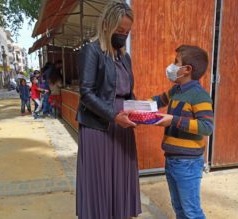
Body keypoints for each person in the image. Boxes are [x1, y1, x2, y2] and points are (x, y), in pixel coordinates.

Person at [76, 1, 141, 219]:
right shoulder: (92, 50)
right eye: (120, 30)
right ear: (106, 24)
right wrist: (114, 115)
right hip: (99, 126)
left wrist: (140, 109)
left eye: (127, 32)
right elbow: (86, 93)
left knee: (121, 179)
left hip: (123, 126)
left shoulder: (125, 57)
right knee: (100, 181)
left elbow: (128, 92)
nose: (123, 35)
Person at [152, 45, 214, 219]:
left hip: (188, 163)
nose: (171, 67)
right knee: (178, 207)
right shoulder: (176, 91)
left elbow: (206, 127)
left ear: (187, 69)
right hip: (171, 159)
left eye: (175, 62)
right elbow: (157, 101)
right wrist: (136, 107)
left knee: (191, 211)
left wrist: (173, 120)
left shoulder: (199, 96)